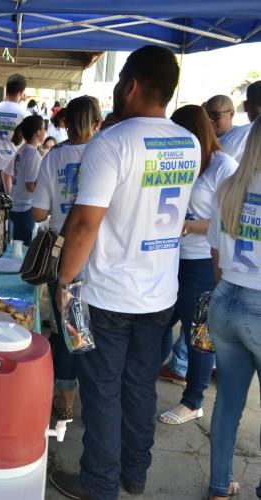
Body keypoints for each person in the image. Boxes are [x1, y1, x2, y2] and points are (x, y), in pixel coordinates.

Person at [49, 45, 201, 500]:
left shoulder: (112, 143)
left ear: (130, 85)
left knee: (102, 391)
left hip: (108, 295)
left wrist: (63, 283)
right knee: (139, 388)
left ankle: (99, 484)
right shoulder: (189, 143)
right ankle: (135, 474)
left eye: (119, 82)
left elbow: (83, 225)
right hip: (159, 293)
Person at [157, 105, 238, 426]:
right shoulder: (182, 159)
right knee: (159, 323)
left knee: (199, 335)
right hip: (169, 258)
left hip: (202, 262)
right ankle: (144, 377)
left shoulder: (223, 167)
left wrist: (189, 226)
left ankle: (193, 401)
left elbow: (229, 219)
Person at [32, 95, 102, 422]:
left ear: (66, 121)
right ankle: (97, 395)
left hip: (63, 251)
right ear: (98, 121)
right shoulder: (107, 152)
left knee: (67, 328)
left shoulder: (53, 157)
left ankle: (65, 398)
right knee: (99, 327)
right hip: (102, 252)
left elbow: (38, 213)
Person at [206, 117, 261, 500]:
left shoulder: (229, 186)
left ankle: (219, 486)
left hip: (225, 296)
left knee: (227, 403)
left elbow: (216, 253)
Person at [2, 115, 45, 245]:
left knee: (15, 247)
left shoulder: (22, 149)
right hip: (25, 209)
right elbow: (30, 186)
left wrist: (11, 194)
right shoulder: (32, 154)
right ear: (38, 132)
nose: (45, 132)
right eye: (44, 128)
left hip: (16, 206)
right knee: (22, 249)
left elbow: (5, 172)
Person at [205, 94, 250, 162]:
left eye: (215, 115)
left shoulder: (239, 138)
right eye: (206, 115)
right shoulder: (204, 138)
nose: (209, 119)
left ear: (231, 114)